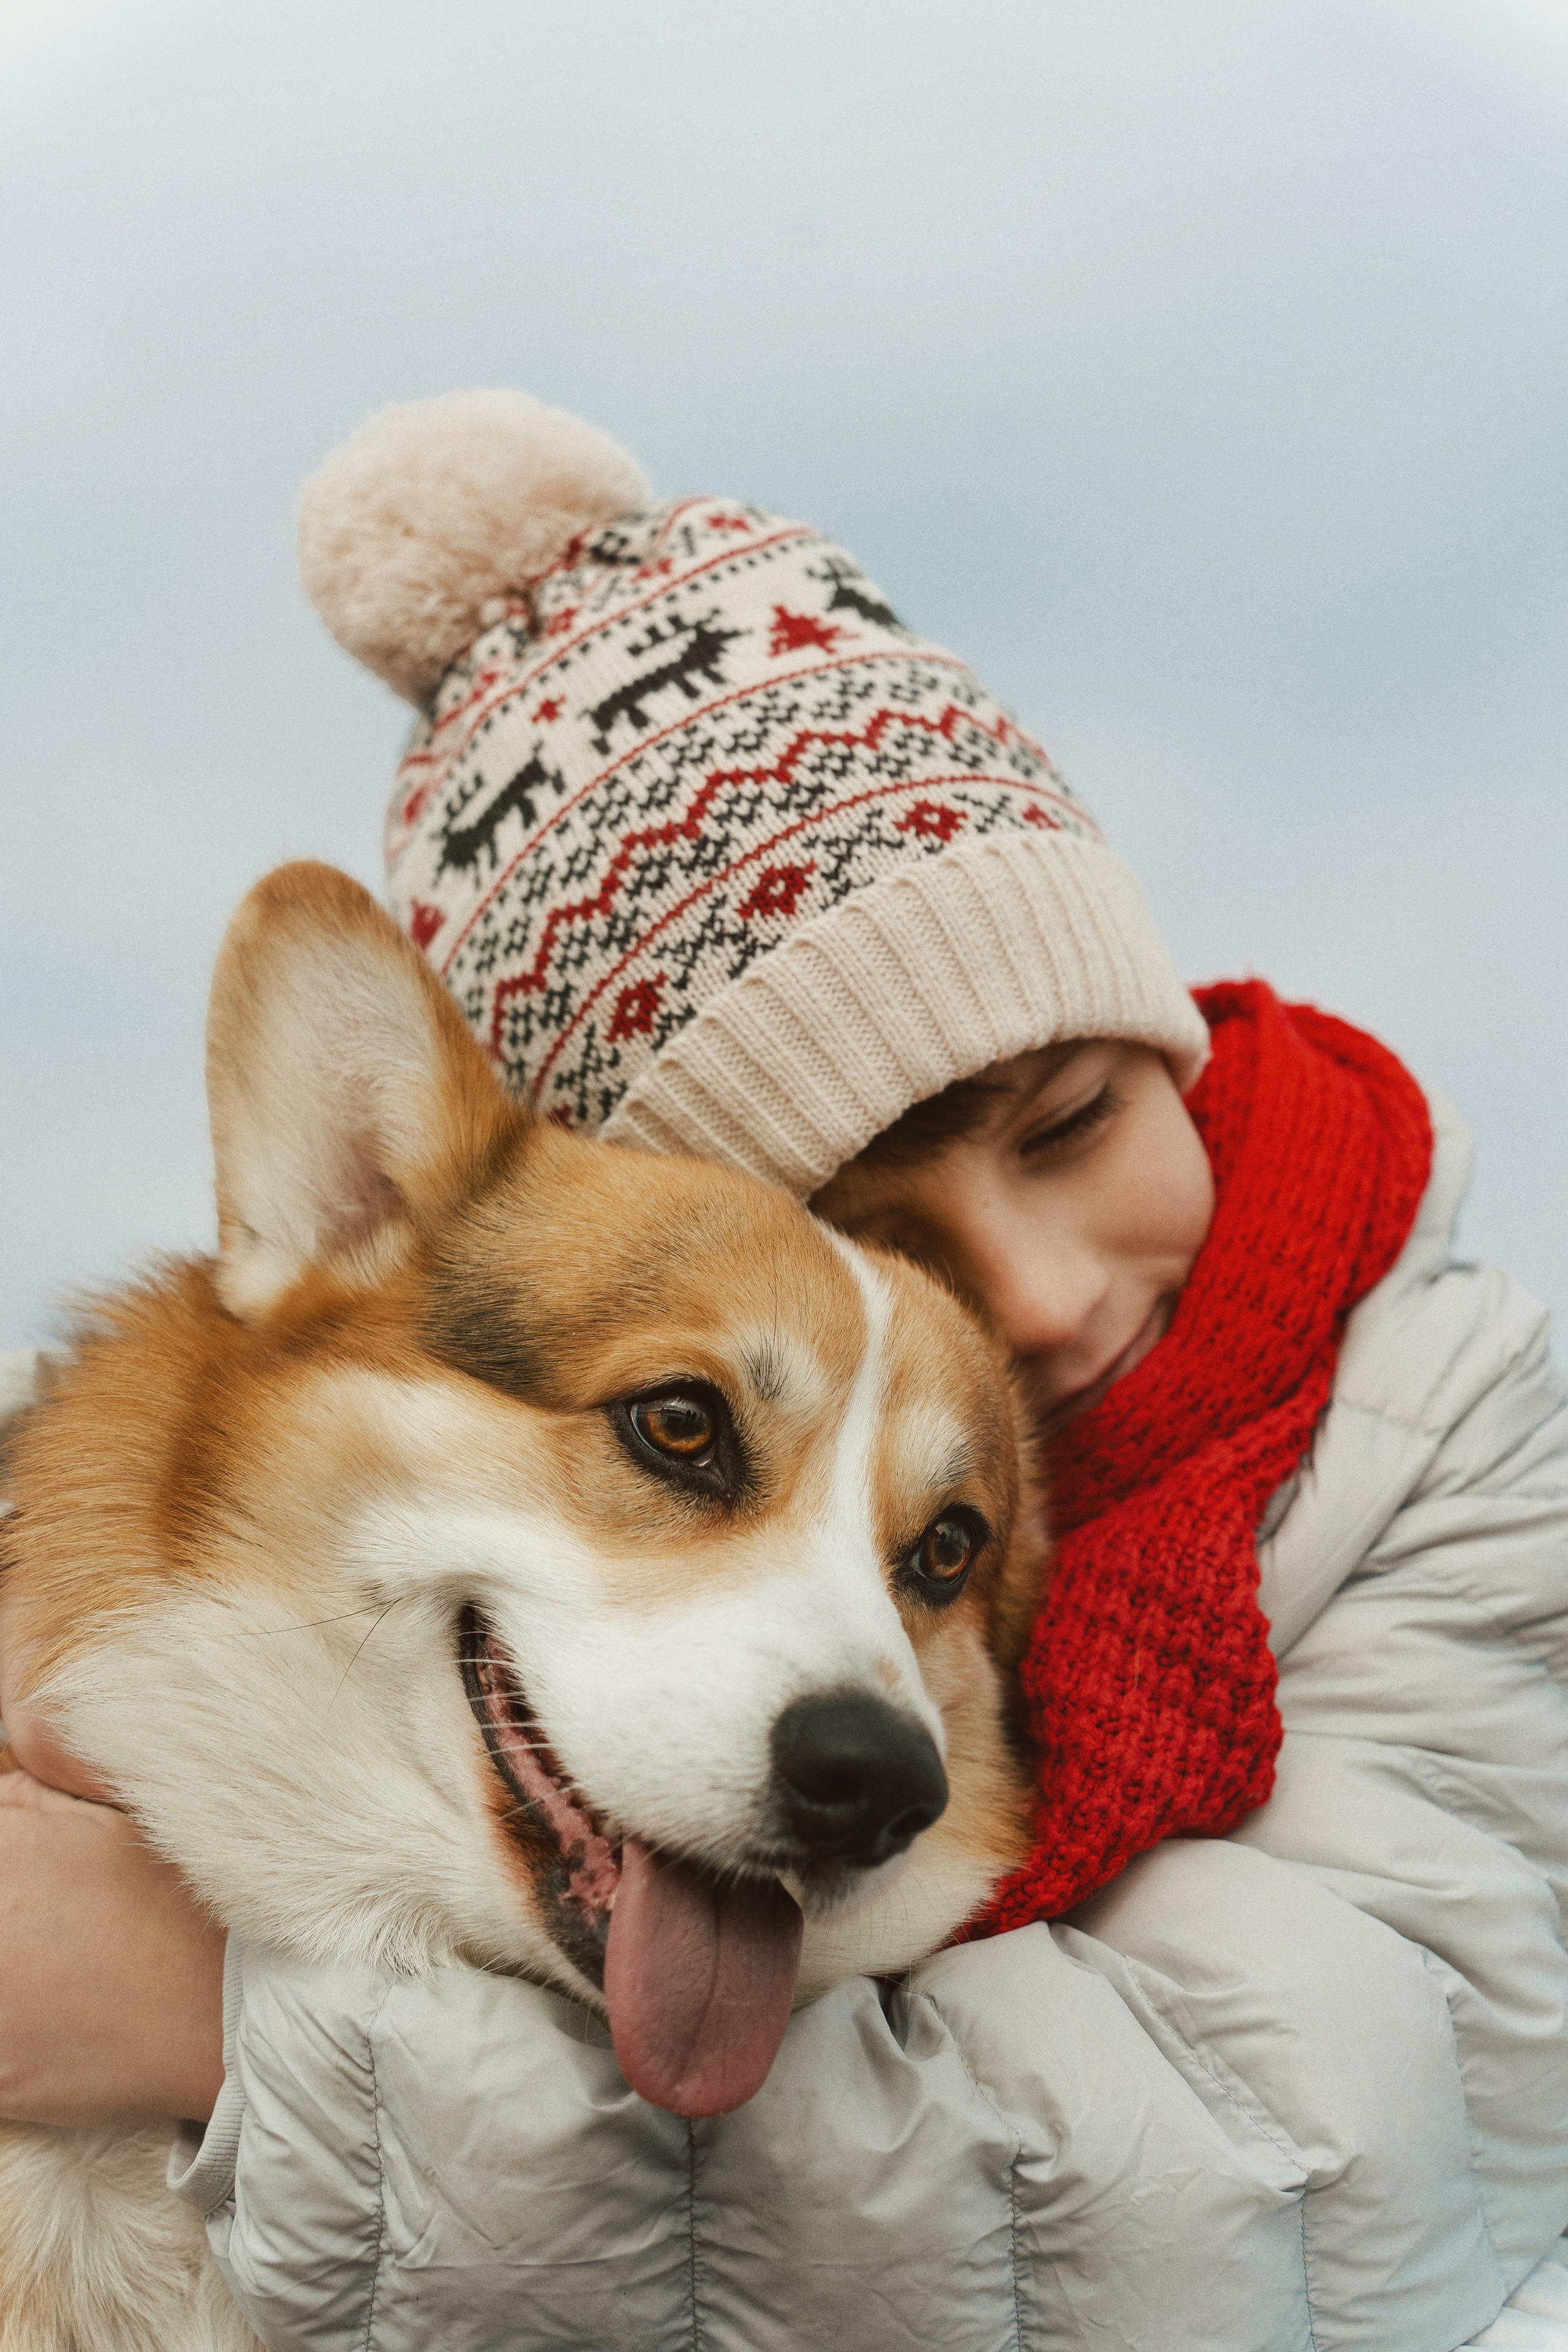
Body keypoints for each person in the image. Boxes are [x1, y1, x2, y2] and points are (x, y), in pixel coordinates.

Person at [2, 391, 1567, 2352]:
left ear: (1165, 1045)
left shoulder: (1454, 1446)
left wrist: (209, 2020)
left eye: (1073, 1120)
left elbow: (1306, 2186)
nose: (1039, 1301)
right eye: (882, 1248)